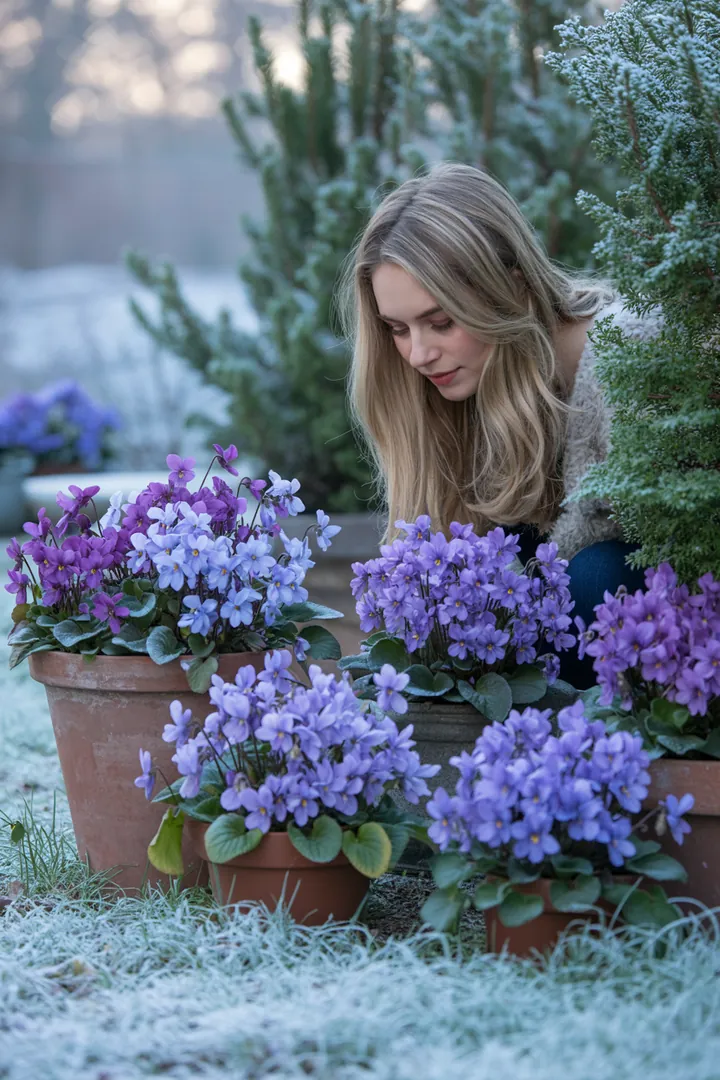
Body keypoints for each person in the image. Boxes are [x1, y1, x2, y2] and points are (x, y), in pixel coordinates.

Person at [342, 162, 659, 688]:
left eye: (442, 321)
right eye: (398, 329)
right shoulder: (456, 396)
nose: (418, 354)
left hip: (668, 672)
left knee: (596, 576)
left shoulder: (628, 366)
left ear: (510, 289)